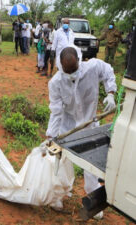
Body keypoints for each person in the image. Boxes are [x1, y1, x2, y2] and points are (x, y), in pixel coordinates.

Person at [45, 46, 117, 219]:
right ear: (61, 67)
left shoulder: (93, 67)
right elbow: (56, 111)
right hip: (67, 127)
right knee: (59, 162)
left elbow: (108, 71)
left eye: (74, 69)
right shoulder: (56, 82)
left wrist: (111, 93)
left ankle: (93, 202)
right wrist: (51, 135)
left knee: (91, 165)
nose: (71, 74)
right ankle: (57, 195)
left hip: (89, 125)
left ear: (79, 60)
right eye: (67, 71)